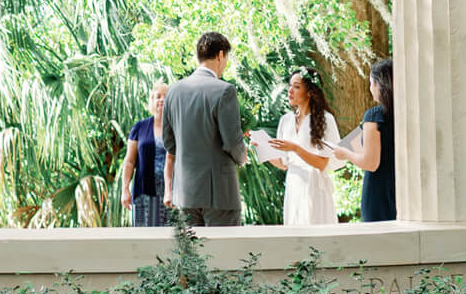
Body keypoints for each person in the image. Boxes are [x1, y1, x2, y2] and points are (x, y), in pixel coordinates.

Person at [162, 31, 248, 226]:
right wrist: (243, 156)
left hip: (184, 193)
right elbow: (232, 142)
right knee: (224, 254)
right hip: (219, 194)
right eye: (226, 58)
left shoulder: (173, 91)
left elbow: (169, 142)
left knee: (192, 256)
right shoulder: (225, 90)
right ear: (220, 55)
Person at [267, 68, 340, 226]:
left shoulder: (326, 120)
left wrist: (296, 148)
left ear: (310, 92)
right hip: (294, 185)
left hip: (315, 185)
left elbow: (322, 163)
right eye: (290, 86)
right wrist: (262, 150)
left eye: (297, 86)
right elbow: (283, 164)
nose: (290, 90)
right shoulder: (285, 121)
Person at [332, 58, 395, 222]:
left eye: (370, 83)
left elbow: (370, 163)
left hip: (378, 191)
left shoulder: (374, 115)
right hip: (402, 187)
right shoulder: (406, 113)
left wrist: (344, 152)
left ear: (377, 85)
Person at [120, 82, 172, 227]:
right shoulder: (140, 127)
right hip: (144, 193)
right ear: (152, 101)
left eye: (166, 97)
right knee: (144, 241)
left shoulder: (177, 127)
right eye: (158, 97)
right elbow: (130, 161)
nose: (161, 100)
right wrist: (125, 189)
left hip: (171, 193)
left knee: (172, 242)